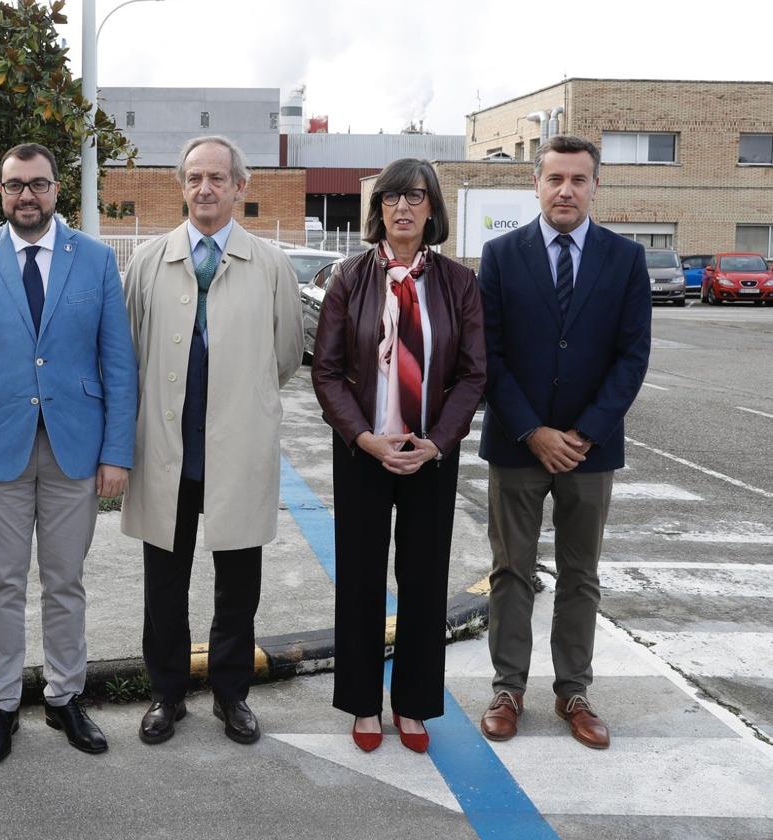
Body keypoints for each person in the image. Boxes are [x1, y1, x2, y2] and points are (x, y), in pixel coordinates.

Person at [0, 143, 137, 765]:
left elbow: (118, 363)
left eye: (39, 185)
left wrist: (117, 452)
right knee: (2, 582)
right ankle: (1, 703)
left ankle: (65, 695)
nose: (27, 195)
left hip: (77, 447)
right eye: (15, 185)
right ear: (1, 192)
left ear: (56, 191)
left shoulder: (96, 261)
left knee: (65, 580)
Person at [122, 135, 303, 746]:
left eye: (217, 179)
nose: (205, 189)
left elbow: (283, 356)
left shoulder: (271, 265)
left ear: (239, 188)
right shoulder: (147, 262)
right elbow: (130, 353)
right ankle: (166, 693)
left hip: (237, 450)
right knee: (164, 586)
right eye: (194, 178)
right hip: (166, 454)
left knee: (238, 584)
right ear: (182, 186)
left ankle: (231, 693)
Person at [477, 135, 651, 750]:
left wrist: (582, 433)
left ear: (596, 186)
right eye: (555, 179)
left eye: (579, 179)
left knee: (581, 574)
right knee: (510, 571)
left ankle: (573, 690)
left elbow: (632, 358)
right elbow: (489, 355)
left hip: (590, 450)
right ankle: (508, 689)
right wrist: (533, 430)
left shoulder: (626, 259)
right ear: (536, 184)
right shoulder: (500, 255)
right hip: (517, 444)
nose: (566, 190)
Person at [312, 158, 486, 753]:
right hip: (364, 451)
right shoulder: (348, 278)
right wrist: (363, 437)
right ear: (378, 210)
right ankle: (362, 704)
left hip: (429, 456)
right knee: (359, 579)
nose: (403, 208)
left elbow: (472, 375)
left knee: (424, 580)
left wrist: (436, 441)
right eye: (391, 199)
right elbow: (328, 372)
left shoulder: (460, 284)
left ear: (432, 208)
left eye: (415, 196)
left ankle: (413, 705)